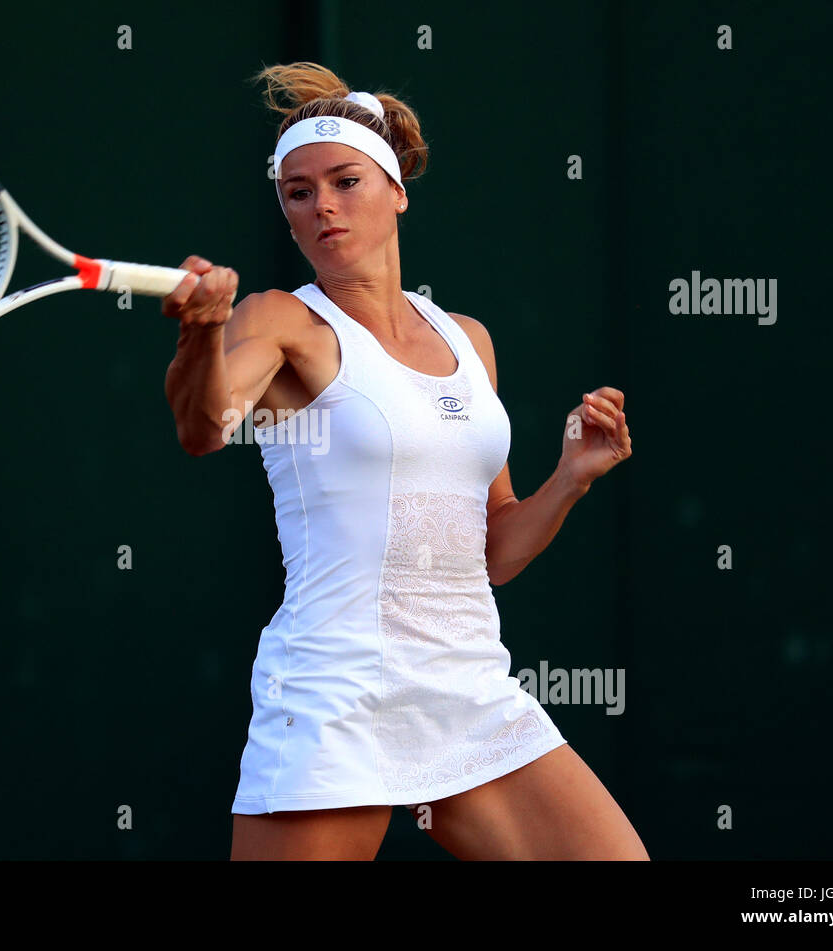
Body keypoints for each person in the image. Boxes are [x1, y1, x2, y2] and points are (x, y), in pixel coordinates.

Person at [162, 62, 645, 861]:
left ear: (397, 191)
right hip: (337, 693)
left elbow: (493, 551)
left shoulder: (468, 339)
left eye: (345, 181)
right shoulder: (280, 321)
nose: (322, 206)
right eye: (298, 191)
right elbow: (205, 425)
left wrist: (570, 479)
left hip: (467, 689)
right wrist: (199, 332)